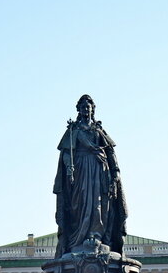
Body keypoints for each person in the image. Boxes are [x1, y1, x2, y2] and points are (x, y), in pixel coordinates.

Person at [53, 95, 127, 257]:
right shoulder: (73, 130)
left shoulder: (98, 130)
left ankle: (97, 236)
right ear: (78, 110)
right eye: (83, 107)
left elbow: (110, 152)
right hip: (80, 171)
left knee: (98, 204)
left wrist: (115, 172)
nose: (86, 109)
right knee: (78, 204)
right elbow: (66, 153)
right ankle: (78, 240)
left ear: (93, 110)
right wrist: (69, 168)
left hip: (99, 170)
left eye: (88, 107)